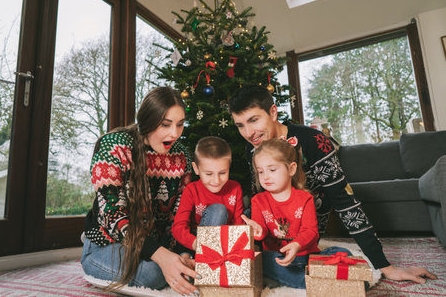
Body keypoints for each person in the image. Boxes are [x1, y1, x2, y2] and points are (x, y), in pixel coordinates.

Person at [228, 84, 437, 284]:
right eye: (240, 125)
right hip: (273, 229)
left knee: (338, 256)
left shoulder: (313, 141)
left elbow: (345, 202)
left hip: (304, 231)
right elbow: (261, 197)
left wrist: (385, 267)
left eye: (253, 120)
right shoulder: (252, 149)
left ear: (273, 112)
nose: (248, 133)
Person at [80, 87, 200, 296]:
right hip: (108, 243)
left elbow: (180, 214)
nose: (175, 133)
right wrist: (161, 256)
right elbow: (112, 215)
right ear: (147, 121)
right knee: (152, 275)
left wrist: (182, 254)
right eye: (165, 124)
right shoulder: (113, 146)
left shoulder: (183, 155)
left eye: (180, 124)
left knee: (181, 264)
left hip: (157, 244)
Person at [242, 138, 350, 288]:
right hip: (278, 258)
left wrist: (297, 245)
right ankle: (310, 282)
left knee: (342, 252)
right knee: (261, 259)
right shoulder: (258, 200)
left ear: (291, 169)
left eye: (272, 170)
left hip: (307, 256)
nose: (265, 176)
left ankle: (294, 278)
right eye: (260, 171)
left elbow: (310, 231)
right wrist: (256, 230)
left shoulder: (305, 198)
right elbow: (262, 232)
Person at [172, 136, 244, 252]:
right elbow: (178, 228)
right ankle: (203, 257)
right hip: (196, 244)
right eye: (209, 174)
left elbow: (239, 225)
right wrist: (197, 244)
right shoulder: (191, 190)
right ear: (196, 169)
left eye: (222, 173)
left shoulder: (235, 188)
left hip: (226, 245)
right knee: (218, 210)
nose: (216, 180)